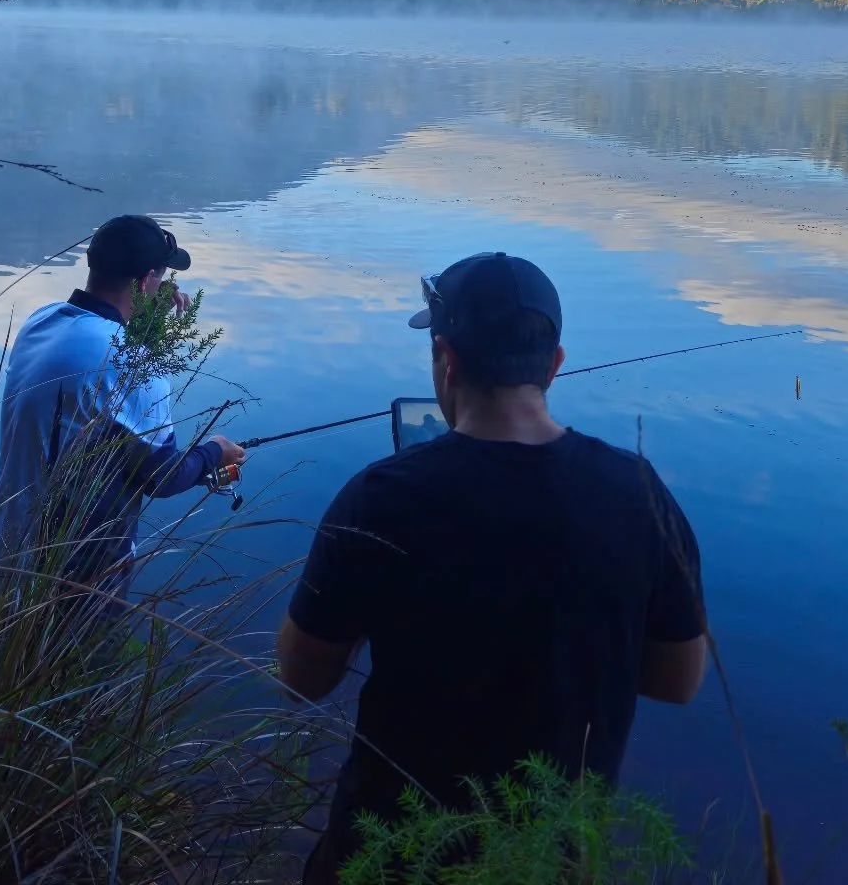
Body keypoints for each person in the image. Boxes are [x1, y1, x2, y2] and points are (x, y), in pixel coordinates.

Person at [277, 251, 707, 882]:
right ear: (555, 365)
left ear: (446, 360)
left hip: (388, 856)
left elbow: (300, 677)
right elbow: (679, 681)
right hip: (548, 860)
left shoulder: (383, 496)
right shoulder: (640, 494)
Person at [0, 214, 246, 617]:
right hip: (67, 590)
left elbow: (99, 387)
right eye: (161, 275)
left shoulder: (42, 322)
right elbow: (164, 478)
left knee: (4, 679)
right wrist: (214, 452)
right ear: (142, 282)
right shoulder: (132, 365)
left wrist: (146, 306)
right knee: (70, 680)